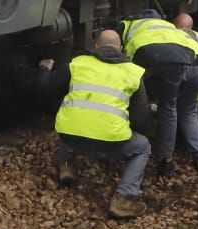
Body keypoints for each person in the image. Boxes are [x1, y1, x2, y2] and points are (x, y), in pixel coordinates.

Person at [49, 30, 151, 219]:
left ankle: (66, 165)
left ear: (95, 46)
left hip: (70, 138)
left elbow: (48, 91)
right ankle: (124, 197)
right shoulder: (134, 73)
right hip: (110, 144)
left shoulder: (76, 64)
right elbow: (140, 119)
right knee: (143, 146)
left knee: (72, 113)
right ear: (120, 48)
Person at [121, 11, 198, 175]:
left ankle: (166, 161)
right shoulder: (167, 26)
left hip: (172, 60)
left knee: (168, 106)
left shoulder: (128, 25)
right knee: (187, 110)